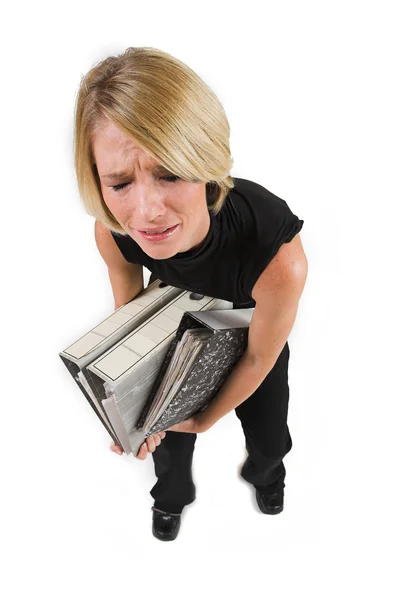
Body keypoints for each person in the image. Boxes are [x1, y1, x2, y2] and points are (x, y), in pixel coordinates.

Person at [73, 46, 308, 541]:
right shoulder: (112, 230)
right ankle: (171, 500)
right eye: (118, 182)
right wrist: (136, 413)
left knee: (270, 438)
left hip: (252, 340)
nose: (146, 212)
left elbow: (261, 357)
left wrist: (205, 418)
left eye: (170, 173)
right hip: (179, 341)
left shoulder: (277, 254)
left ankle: (267, 477)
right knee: (166, 449)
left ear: (206, 161)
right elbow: (129, 318)